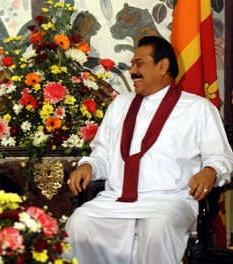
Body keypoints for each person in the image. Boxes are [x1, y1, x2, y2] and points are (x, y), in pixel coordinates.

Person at [65, 36, 233, 263]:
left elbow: (221, 157)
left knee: (156, 227)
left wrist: (210, 171)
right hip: (116, 200)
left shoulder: (198, 108)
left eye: (139, 63)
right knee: (79, 222)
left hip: (169, 200)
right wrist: (88, 165)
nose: (132, 70)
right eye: (133, 64)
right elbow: (102, 153)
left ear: (163, 66)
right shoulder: (120, 104)